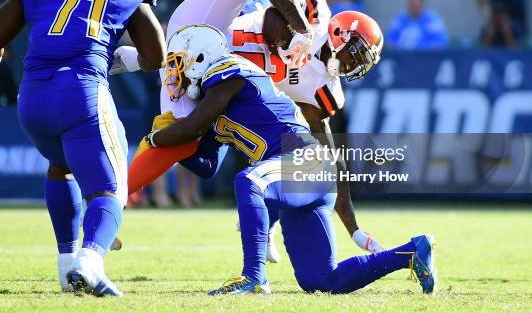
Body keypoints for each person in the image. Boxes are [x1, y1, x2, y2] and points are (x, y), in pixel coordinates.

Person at [114, 0, 383, 260]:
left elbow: (325, 159)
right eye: (356, 53)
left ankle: (106, 209)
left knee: (188, 146)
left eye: (361, 61)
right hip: (209, 38)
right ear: (340, 33)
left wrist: (353, 228)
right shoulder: (315, 11)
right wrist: (300, 34)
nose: (354, 64)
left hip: (206, 78)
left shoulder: (323, 92)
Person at [139, 23, 437, 295]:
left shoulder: (229, 72)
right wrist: (175, 144)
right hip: (301, 178)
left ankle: (254, 278)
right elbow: (206, 167)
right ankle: (411, 252)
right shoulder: (216, 99)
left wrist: (155, 137)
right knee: (320, 281)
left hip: (304, 160)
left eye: (178, 61)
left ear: (201, 56)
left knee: (249, 181)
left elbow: (192, 126)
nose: (174, 72)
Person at [0, 0, 166, 296]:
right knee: (111, 189)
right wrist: (125, 59)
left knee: (62, 165)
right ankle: (90, 262)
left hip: (33, 97)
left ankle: (64, 264)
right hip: (81, 92)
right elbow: (155, 54)